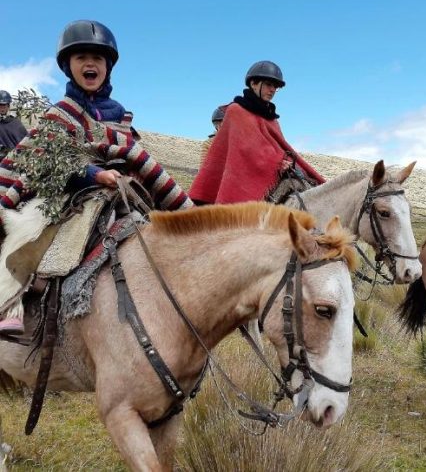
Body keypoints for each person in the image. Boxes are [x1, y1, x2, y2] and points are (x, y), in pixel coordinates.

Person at [0, 19, 193, 335]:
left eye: (97, 58)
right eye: (81, 58)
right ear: (68, 66)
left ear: (108, 66)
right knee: (28, 229)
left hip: (122, 189)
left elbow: (135, 155)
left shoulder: (119, 116)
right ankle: (11, 304)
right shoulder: (61, 111)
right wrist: (92, 173)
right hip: (64, 193)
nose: (90, 63)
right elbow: (42, 160)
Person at [189, 60, 324, 205]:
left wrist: (289, 162)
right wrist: (277, 162)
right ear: (253, 83)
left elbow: (280, 149)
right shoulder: (236, 111)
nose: (272, 90)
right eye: (268, 84)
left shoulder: (272, 120)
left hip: (276, 173)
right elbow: (245, 152)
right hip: (241, 180)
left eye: (275, 87)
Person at [0, 90, 28, 159]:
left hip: (17, 161)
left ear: (8, 106)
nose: (2, 108)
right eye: (0, 105)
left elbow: (25, 145)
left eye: (4, 105)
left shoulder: (16, 123)